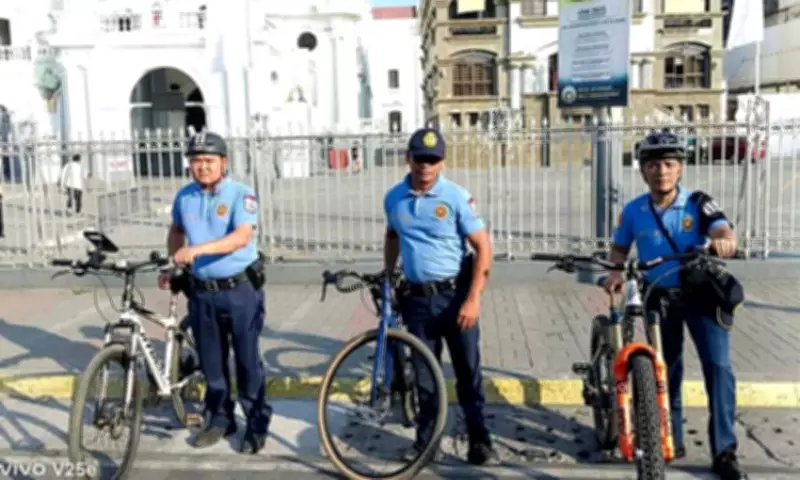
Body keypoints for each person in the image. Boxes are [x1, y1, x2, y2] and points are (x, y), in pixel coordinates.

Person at [604, 130, 746, 480]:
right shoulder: (634, 211)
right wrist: (614, 274)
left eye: (669, 164)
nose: (661, 171)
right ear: (643, 170)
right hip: (658, 299)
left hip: (700, 298)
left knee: (719, 369)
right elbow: (619, 251)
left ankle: (724, 451)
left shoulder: (698, 203)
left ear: (680, 168)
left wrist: (725, 242)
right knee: (667, 372)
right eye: (653, 165)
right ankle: (670, 439)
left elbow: (722, 230)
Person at [383, 127, 496, 465]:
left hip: (455, 298)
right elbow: (391, 236)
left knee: (467, 374)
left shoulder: (456, 197)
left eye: (433, 160)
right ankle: (427, 442)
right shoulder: (394, 197)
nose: (425, 167)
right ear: (408, 158)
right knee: (425, 379)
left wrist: (474, 298)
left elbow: (483, 247)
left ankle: (479, 440)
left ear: (442, 162)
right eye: (420, 158)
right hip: (417, 302)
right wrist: (389, 277)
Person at [158, 131, 271, 453]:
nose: (202, 167)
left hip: (240, 291)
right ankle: (220, 419)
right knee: (212, 363)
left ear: (223, 162)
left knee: (247, 362)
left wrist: (197, 251)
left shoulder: (241, 194)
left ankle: (257, 420)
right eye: (196, 161)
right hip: (202, 293)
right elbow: (177, 230)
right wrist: (173, 264)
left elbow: (240, 237)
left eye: (209, 160)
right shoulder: (185, 197)